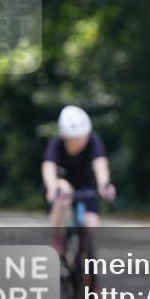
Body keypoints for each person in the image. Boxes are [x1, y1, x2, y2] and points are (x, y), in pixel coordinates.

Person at [42, 106, 115, 254]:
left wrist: (104, 184)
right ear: (65, 138)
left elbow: (100, 163)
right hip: (63, 184)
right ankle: (58, 238)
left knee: (92, 223)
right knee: (62, 194)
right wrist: (51, 188)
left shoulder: (93, 141)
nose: (80, 142)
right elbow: (48, 166)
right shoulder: (56, 144)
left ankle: (87, 261)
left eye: (83, 137)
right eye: (74, 139)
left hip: (87, 185)